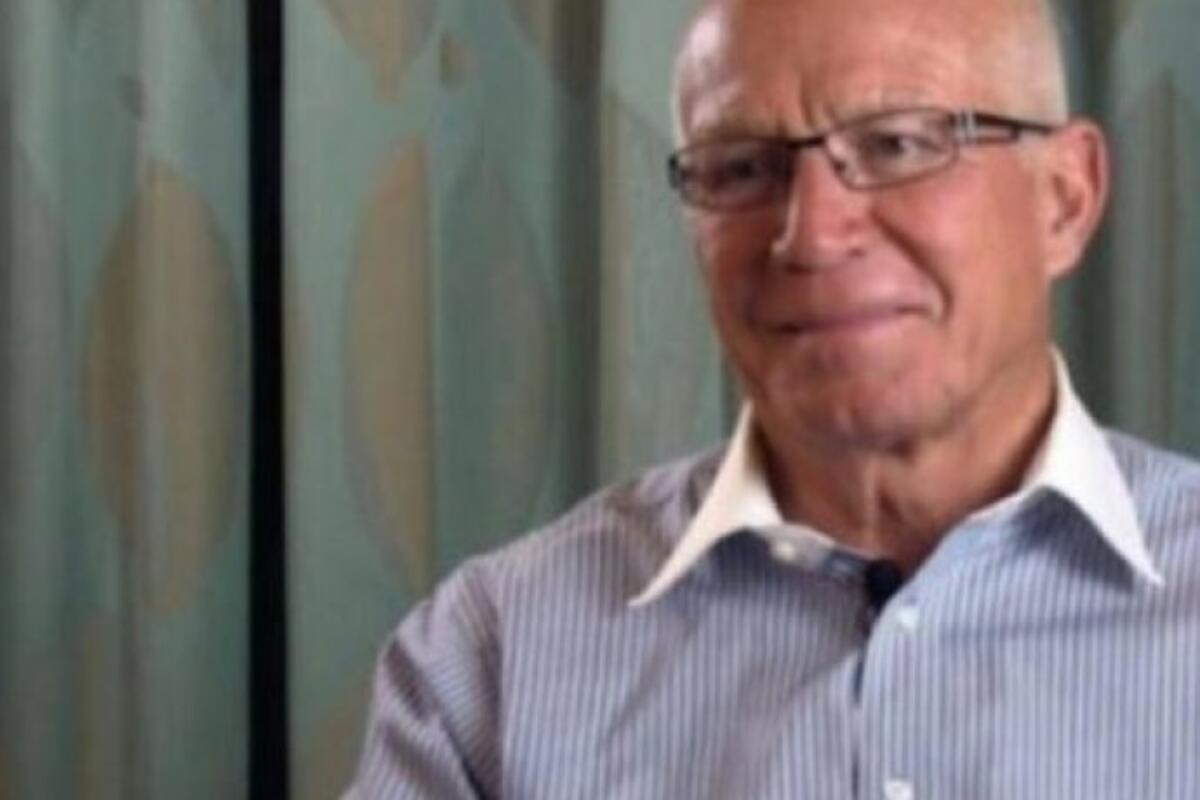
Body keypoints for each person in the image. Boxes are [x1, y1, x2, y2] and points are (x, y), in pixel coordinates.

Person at [350, 0, 1200, 796]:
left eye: (897, 144)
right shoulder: (490, 661)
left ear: (1065, 197)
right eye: (743, 168)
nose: (812, 235)